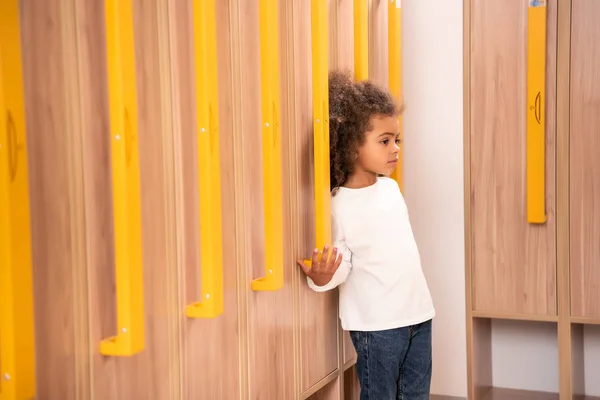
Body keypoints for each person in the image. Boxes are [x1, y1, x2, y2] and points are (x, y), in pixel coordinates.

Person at [297, 70, 436, 400]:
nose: (395, 148)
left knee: (416, 395)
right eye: (385, 140)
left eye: (397, 140)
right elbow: (341, 263)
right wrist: (320, 277)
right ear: (352, 146)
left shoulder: (391, 189)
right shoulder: (337, 205)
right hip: (378, 328)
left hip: (419, 315)